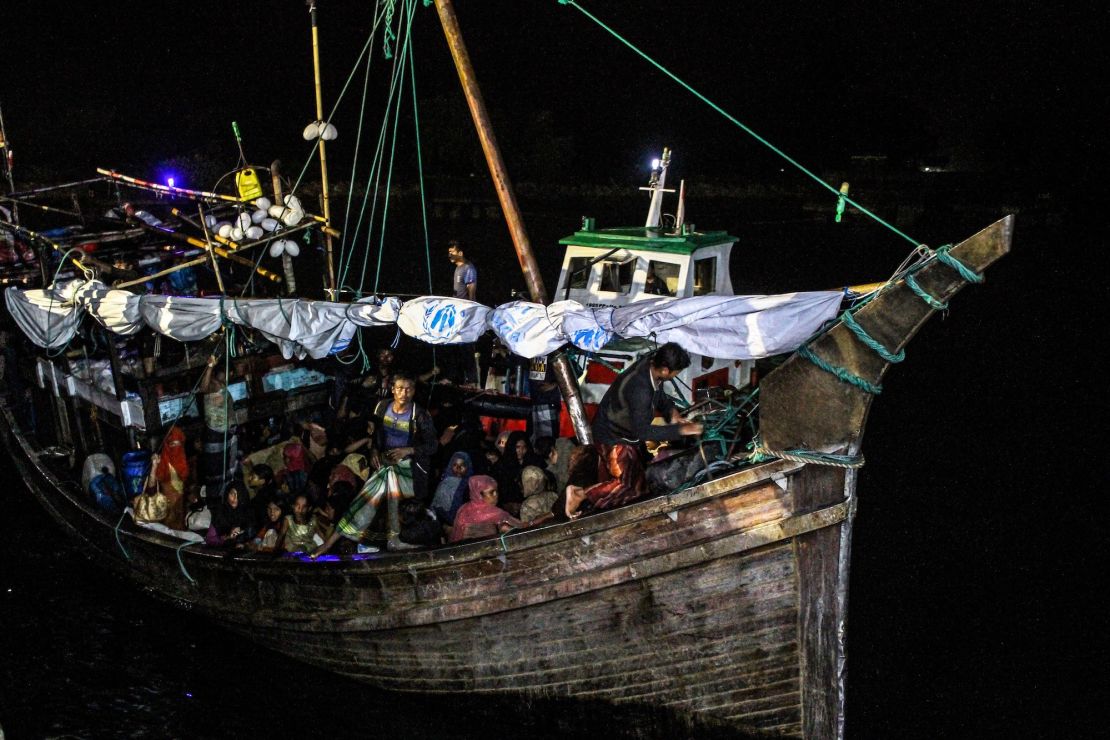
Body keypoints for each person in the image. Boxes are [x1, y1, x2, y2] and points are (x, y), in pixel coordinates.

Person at [568, 343, 703, 518]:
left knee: (640, 487)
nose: (677, 375)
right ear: (664, 369)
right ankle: (579, 494)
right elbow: (643, 432)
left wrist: (672, 413)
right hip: (613, 437)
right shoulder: (640, 388)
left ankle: (594, 505)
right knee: (628, 488)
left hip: (624, 436)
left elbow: (659, 394)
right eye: (676, 372)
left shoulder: (650, 365)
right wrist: (681, 430)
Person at [312, 372, 437, 557]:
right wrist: (374, 451)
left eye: (409, 389)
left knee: (397, 503)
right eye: (400, 388)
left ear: (414, 391)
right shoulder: (382, 407)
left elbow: (433, 445)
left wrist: (408, 450)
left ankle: (395, 541)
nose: (404, 393)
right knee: (363, 501)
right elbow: (377, 435)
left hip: (408, 469)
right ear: (393, 389)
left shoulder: (419, 415)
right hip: (386, 464)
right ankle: (329, 543)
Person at [199, 352, 239, 502]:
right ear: (229, 373)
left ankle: (224, 495)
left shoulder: (220, 385)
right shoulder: (214, 384)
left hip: (221, 432)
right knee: (216, 469)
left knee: (223, 466)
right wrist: (209, 367)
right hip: (215, 433)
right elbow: (203, 388)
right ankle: (218, 497)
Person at [449, 475, 522, 543]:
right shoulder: (494, 513)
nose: (496, 495)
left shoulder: (463, 509)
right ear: (479, 495)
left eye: (496, 491)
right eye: (491, 492)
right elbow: (520, 527)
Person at [446, 240, 479, 385]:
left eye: (452, 252)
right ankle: (454, 377)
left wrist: (471, 311)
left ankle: (471, 379)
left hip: (465, 313)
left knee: (466, 347)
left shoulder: (468, 268)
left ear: (460, 253)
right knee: (453, 345)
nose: (450, 255)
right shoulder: (457, 269)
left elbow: (471, 291)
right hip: (455, 312)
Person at [154, 427, 189, 530]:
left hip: (179, 495)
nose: (175, 447)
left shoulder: (182, 458)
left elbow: (185, 475)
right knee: (169, 515)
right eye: (172, 444)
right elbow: (159, 476)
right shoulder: (163, 461)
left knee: (180, 512)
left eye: (178, 444)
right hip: (167, 495)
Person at [429, 451, 473, 528]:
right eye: (455, 465)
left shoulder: (470, 484)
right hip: (442, 520)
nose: (458, 468)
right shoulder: (445, 480)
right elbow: (437, 502)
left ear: (468, 466)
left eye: (462, 465)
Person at [205, 481, 254, 547]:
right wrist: (228, 537)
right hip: (222, 550)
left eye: (239, 495)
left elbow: (256, 538)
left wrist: (243, 537)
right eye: (232, 493)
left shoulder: (248, 513)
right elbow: (210, 539)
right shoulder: (220, 512)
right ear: (227, 494)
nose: (235, 498)